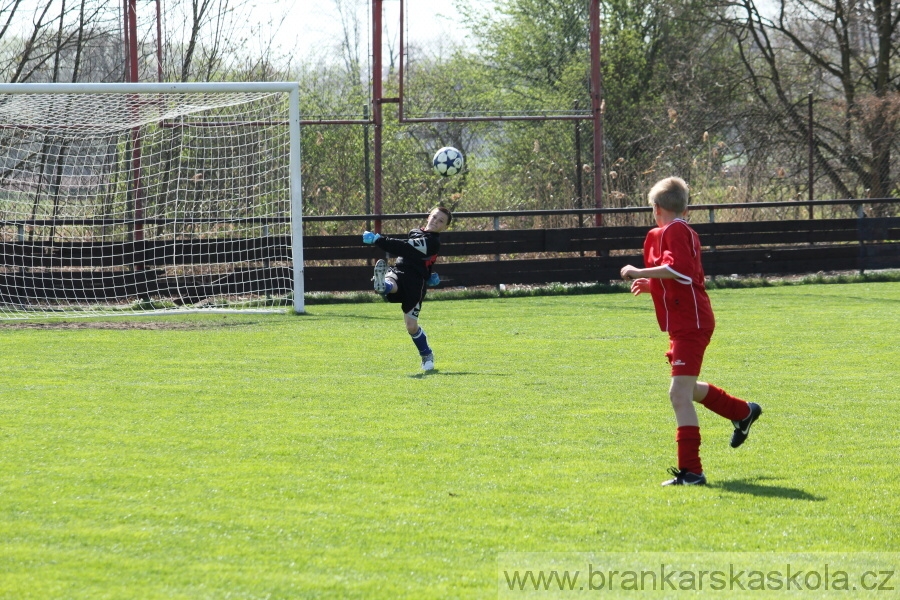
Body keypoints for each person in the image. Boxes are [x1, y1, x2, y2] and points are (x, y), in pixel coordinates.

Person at [619, 177, 762, 486]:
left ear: (656, 208)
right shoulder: (677, 231)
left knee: (678, 394)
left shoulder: (676, 230)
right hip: (686, 323)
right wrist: (652, 285)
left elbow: (680, 271)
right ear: (685, 207)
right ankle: (743, 411)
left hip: (692, 324)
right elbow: (683, 277)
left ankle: (692, 472)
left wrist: (639, 270)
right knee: (688, 389)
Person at [362, 205, 452, 371]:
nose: (435, 222)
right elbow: (414, 253)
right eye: (434, 217)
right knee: (391, 281)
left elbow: (406, 248)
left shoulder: (433, 242)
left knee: (411, 326)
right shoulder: (414, 232)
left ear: (445, 227)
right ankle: (383, 285)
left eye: (441, 221)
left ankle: (426, 354)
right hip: (399, 271)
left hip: (416, 283)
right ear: (428, 217)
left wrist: (378, 239)